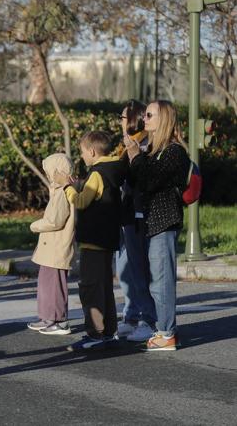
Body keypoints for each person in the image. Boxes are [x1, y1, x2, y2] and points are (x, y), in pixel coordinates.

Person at [123, 100, 189, 351]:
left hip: (164, 221)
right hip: (149, 222)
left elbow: (149, 180)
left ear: (165, 119)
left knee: (162, 280)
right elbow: (135, 180)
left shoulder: (174, 152)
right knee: (152, 279)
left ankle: (166, 333)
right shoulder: (150, 150)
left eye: (150, 115)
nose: (145, 119)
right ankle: (162, 328)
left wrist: (135, 157)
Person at [58, 131, 125, 352]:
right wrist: (80, 184)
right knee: (105, 286)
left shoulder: (96, 173)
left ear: (92, 151)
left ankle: (95, 333)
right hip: (107, 239)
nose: (82, 156)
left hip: (93, 242)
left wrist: (68, 189)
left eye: (83, 152)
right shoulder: (113, 169)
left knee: (90, 288)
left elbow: (82, 201)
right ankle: (109, 331)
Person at [116, 100, 157, 343]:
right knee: (125, 270)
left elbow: (138, 179)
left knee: (139, 269)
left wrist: (132, 155)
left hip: (138, 213)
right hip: (124, 213)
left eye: (122, 118)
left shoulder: (145, 145)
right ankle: (131, 316)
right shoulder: (127, 145)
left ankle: (148, 319)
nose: (120, 123)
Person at [26, 153, 75, 335]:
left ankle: (59, 320)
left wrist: (35, 225)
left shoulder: (63, 192)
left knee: (55, 285)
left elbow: (55, 221)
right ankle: (47, 317)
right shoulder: (57, 191)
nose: (47, 175)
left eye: (49, 172)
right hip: (50, 248)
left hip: (57, 247)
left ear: (56, 172)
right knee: (46, 283)